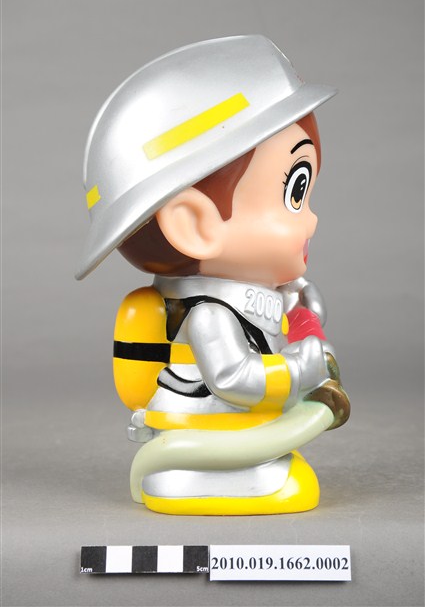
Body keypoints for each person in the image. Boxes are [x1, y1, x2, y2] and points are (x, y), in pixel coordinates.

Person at [76, 36, 350, 515]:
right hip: (209, 430)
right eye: (295, 192)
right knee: (286, 478)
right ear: (194, 226)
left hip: (248, 427)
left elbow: (288, 319)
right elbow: (233, 377)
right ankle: (207, 474)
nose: (311, 220)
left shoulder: (255, 294)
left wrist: (301, 310)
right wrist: (302, 368)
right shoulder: (208, 316)